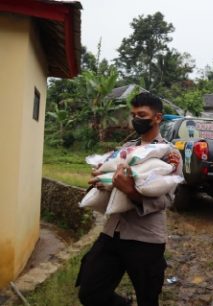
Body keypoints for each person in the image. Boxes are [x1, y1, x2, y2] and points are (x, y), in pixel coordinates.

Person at [76, 92, 182, 306]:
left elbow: (167, 200)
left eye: (141, 114)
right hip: (112, 232)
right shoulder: (126, 150)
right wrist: (101, 181)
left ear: (157, 118)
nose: (135, 119)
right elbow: (107, 176)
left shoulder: (169, 155)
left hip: (145, 239)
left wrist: (131, 191)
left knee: (148, 299)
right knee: (90, 292)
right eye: (133, 114)